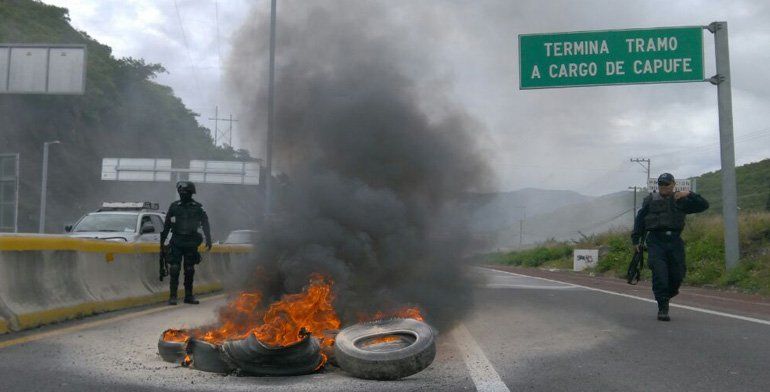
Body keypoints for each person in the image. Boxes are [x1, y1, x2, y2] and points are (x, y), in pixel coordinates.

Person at [631, 173, 709, 321]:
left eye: (666, 184)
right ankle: (663, 307)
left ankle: (667, 294)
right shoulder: (650, 200)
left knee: (677, 275)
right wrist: (636, 241)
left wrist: (690, 194)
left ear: (673, 184)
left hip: (675, 241)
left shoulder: (680, 200)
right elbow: (640, 220)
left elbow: (704, 205)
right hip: (655, 241)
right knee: (660, 274)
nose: (664, 187)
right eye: (661, 184)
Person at [160, 181, 212, 305]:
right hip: (177, 241)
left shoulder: (198, 207)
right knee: (174, 268)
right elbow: (167, 224)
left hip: (191, 241)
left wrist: (208, 238)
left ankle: (188, 296)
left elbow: (205, 223)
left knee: (189, 269)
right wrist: (162, 241)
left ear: (191, 193)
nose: (183, 194)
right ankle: (173, 297)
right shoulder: (174, 206)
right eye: (181, 192)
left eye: (186, 192)